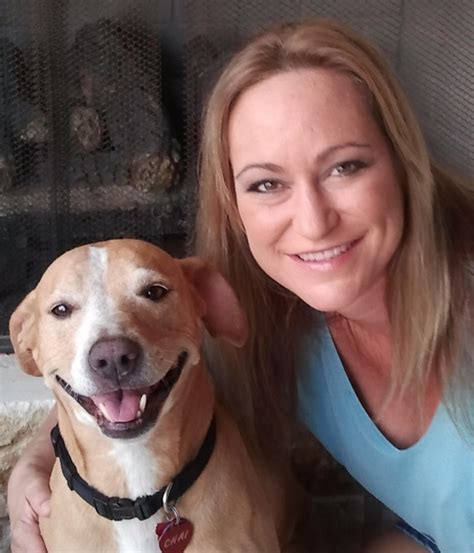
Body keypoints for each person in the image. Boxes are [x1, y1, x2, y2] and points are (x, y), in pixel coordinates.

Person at [7, 18, 473, 553]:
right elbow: (136, 361)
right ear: (234, 206)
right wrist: (37, 459)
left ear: (404, 166)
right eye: (267, 183)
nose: (313, 221)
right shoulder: (269, 318)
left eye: (345, 167)